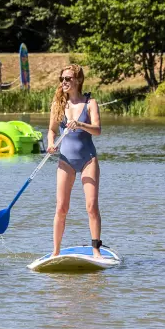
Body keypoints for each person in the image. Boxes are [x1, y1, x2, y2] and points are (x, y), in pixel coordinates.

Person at [46, 64, 103, 258]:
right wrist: (51, 144)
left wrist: (79, 124)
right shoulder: (58, 104)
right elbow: (52, 130)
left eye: (68, 78)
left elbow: (97, 130)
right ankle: (55, 252)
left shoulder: (90, 103)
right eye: (62, 79)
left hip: (88, 159)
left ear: (78, 80)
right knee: (61, 208)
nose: (64, 82)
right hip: (65, 160)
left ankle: (96, 249)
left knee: (91, 206)